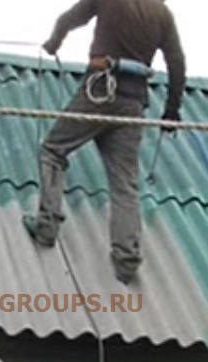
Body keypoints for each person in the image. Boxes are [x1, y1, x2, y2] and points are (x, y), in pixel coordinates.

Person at [22, 0, 186, 284]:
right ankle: (127, 261)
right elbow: (177, 62)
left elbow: (69, 19)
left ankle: (47, 225)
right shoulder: (161, 12)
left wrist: (53, 43)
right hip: (132, 103)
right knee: (124, 184)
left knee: (53, 150)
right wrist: (171, 111)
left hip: (99, 90)